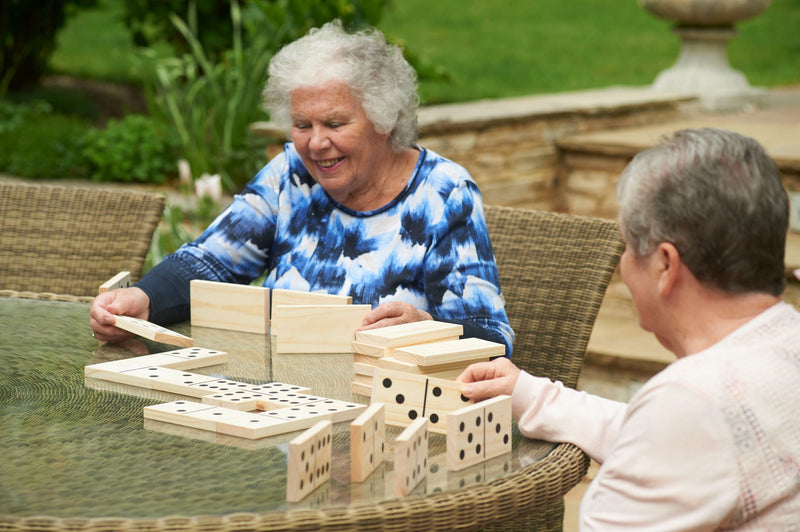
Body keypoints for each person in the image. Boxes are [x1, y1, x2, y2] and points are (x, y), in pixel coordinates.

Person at [90, 20, 514, 354]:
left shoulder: (443, 194)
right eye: (301, 125)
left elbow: (493, 340)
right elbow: (209, 263)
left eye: (334, 123)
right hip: (275, 403)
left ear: (384, 118)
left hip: (380, 414)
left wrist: (429, 330)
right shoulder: (291, 172)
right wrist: (142, 299)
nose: (315, 143)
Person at [458, 128, 800, 529]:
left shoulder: (692, 402)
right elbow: (676, 446)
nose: (623, 267)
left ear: (665, 266)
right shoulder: (778, 347)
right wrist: (530, 395)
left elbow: (681, 431)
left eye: (627, 248)